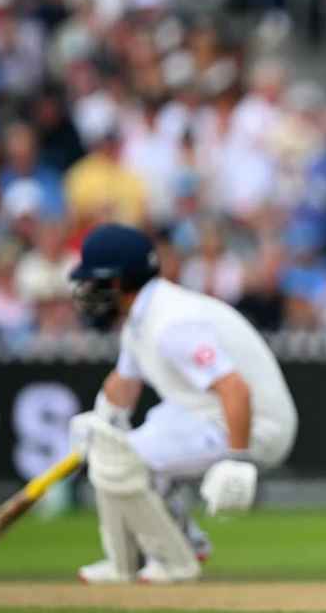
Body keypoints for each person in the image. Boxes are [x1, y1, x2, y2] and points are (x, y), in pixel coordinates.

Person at [67, 224, 297, 584]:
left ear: (118, 282)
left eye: (94, 282)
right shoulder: (143, 318)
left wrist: (237, 460)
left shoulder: (171, 323)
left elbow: (236, 389)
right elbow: (123, 385)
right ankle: (145, 558)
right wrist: (99, 424)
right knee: (116, 451)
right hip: (209, 416)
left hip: (254, 426)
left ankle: (175, 561)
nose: (87, 292)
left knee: (122, 459)